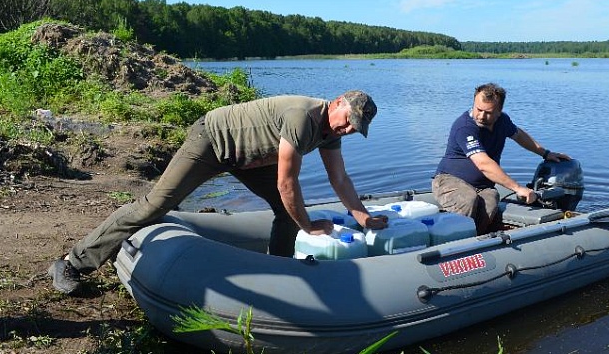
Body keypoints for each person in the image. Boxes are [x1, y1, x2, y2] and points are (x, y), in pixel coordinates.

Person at [48, 90, 388, 294]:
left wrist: (364, 217)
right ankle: (71, 263)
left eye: (353, 128)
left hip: (249, 158)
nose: (346, 128)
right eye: (347, 120)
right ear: (338, 101)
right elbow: (287, 183)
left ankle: (280, 270)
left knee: (286, 211)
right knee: (155, 204)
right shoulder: (304, 118)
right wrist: (309, 226)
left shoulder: (332, 134)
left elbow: (339, 179)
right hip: (212, 141)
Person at [432, 83, 570, 235]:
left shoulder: (502, 121)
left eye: (488, 112)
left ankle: (476, 240)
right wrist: (518, 188)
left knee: (491, 199)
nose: (481, 116)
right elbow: (483, 164)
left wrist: (545, 153)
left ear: (499, 111)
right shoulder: (465, 127)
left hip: (483, 186)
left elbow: (518, 135)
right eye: (478, 109)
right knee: (468, 199)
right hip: (449, 180)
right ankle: (454, 244)